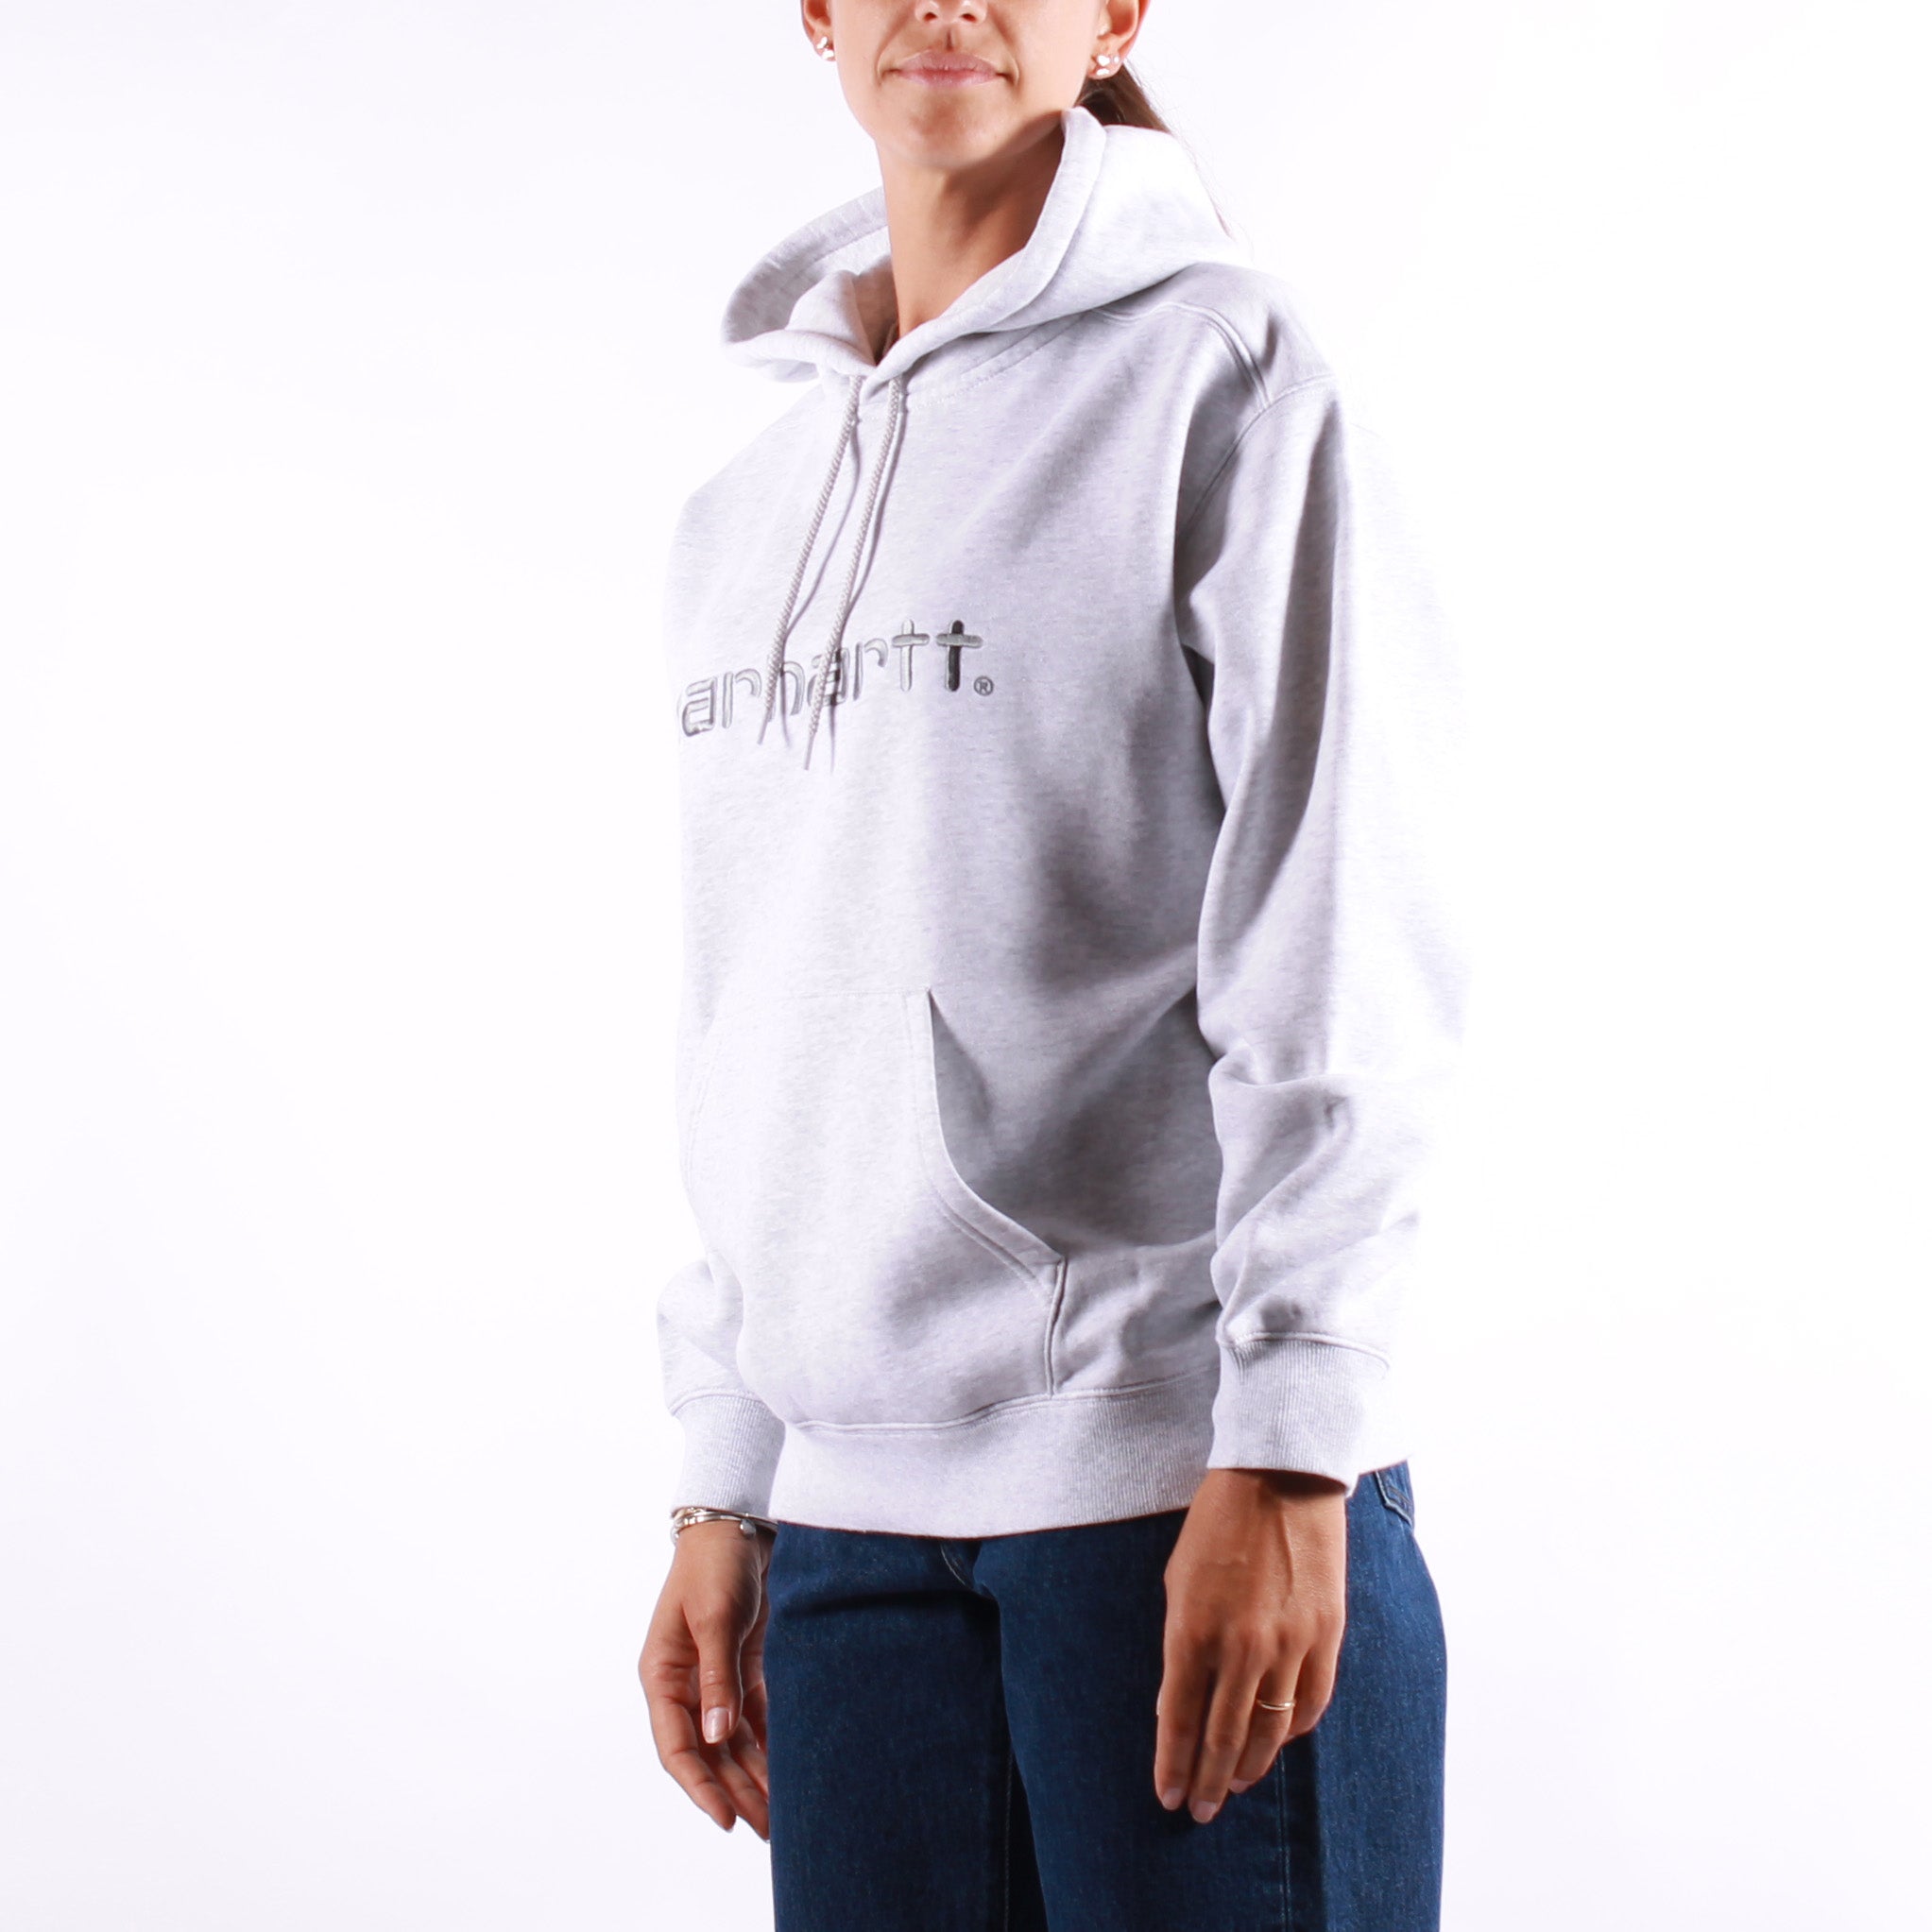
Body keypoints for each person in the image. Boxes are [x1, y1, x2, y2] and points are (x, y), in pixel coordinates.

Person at [638, 3, 1467, 1926]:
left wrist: (1291, 1440)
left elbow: (1340, 915)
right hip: (842, 1540)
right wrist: (725, 1471)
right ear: (817, 15)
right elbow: (748, 1009)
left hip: (1173, 1493)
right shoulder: (742, 511)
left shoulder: (1224, 373)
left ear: (1113, 20)